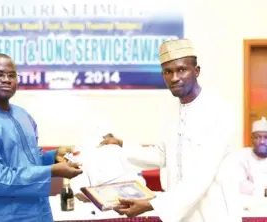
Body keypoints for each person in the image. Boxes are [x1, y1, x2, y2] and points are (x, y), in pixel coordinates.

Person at [100, 39, 240, 221]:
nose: (174, 77)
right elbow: (161, 155)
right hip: (181, 215)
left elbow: (201, 176)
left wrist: (152, 204)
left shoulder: (219, 111)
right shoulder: (169, 110)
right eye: (168, 72)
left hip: (215, 213)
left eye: (181, 69)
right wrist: (120, 146)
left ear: (196, 71)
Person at [0, 53, 83, 222]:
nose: (7, 79)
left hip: (37, 214)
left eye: (12, 75)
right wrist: (52, 171)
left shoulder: (22, 115)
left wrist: (54, 157)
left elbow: (27, 161)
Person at [70, 143, 146, 202]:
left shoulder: (126, 149)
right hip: (93, 204)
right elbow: (78, 183)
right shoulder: (83, 152)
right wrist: (78, 191)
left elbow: (138, 182)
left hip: (125, 200)